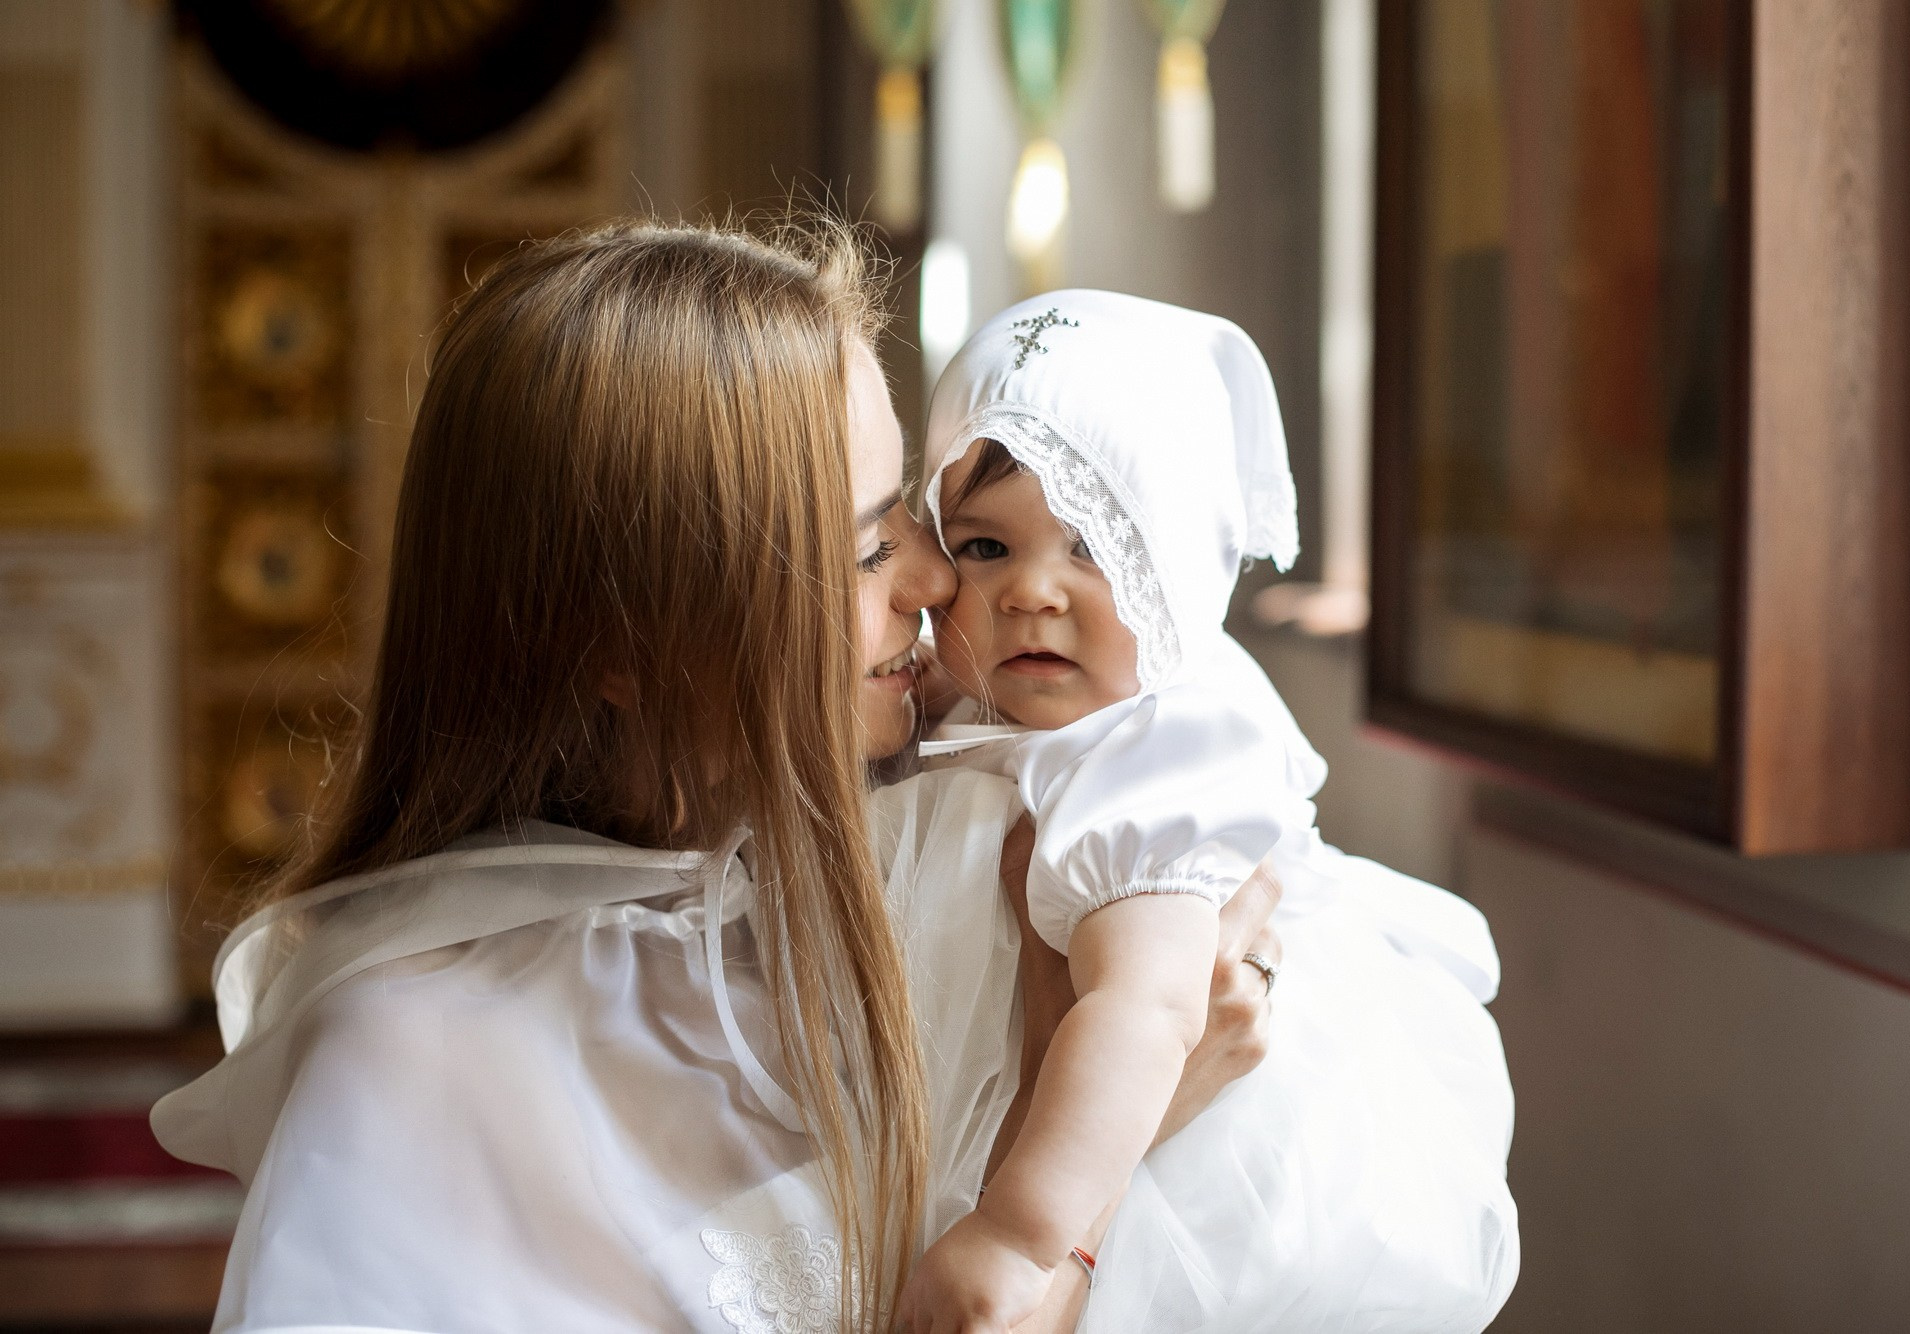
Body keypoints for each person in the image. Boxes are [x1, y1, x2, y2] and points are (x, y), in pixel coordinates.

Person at [151, 222, 1282, 1334]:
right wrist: (1111, 1150)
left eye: (913, 517)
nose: (938, 580)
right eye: (866, 549)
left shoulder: (895, 852)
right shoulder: (418, 1060)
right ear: (622, 639)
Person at [901, 290, 1518, 1333]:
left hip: (1139, 1154)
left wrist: (1014, 1232)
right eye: (984, 547)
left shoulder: (1151, 755)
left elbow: (1147, 1008)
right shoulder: (992, 700)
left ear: (1180, 567)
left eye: (1094, 545)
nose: (1031, 592)